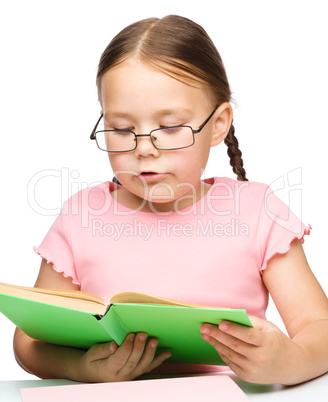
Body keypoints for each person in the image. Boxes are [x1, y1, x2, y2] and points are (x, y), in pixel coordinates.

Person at [14, 15, 328, 385]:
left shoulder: (259, 211)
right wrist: (81, 368)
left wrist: (288, 361)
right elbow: (29, 340)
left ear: (218, 124)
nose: (145, 148)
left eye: (170, 127)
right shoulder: (81, 217)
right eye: (122, 128)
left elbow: (317, 328)